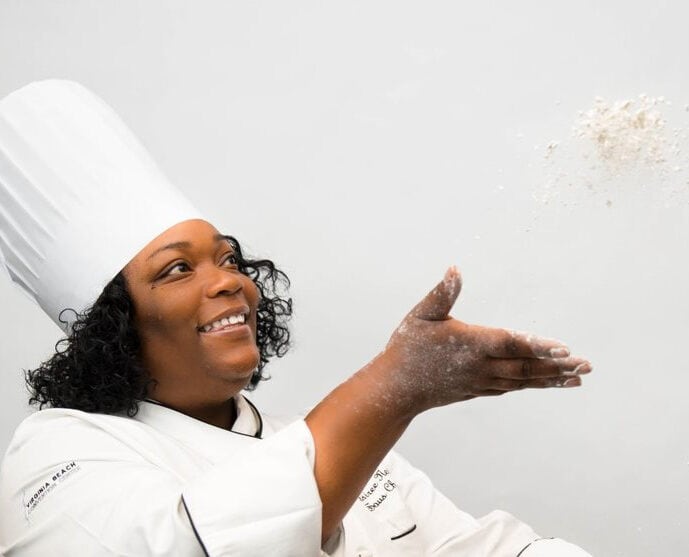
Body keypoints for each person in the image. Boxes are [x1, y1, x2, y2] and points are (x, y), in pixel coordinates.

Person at [0, 80, 593, 556]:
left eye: (228, 257)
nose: (230, 279)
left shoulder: (311, 440)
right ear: (115, 325)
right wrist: (394, 385)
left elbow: (469, 548)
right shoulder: (56, 454)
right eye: (178, 270)